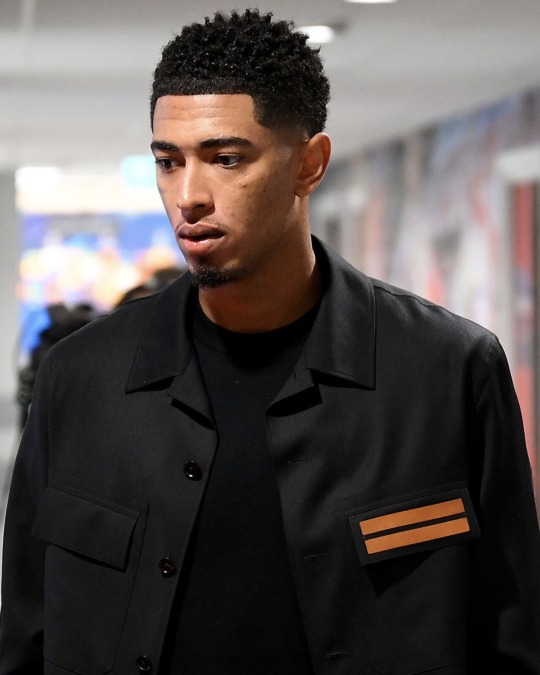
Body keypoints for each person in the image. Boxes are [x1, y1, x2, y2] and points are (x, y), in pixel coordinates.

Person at [1, 9, 539, 674]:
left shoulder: (447, 370)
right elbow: (25, 637)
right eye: (168, 162)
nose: (188, 196)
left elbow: (511, 640)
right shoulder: (81, 378)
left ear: (309, 164)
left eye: (226, 159)